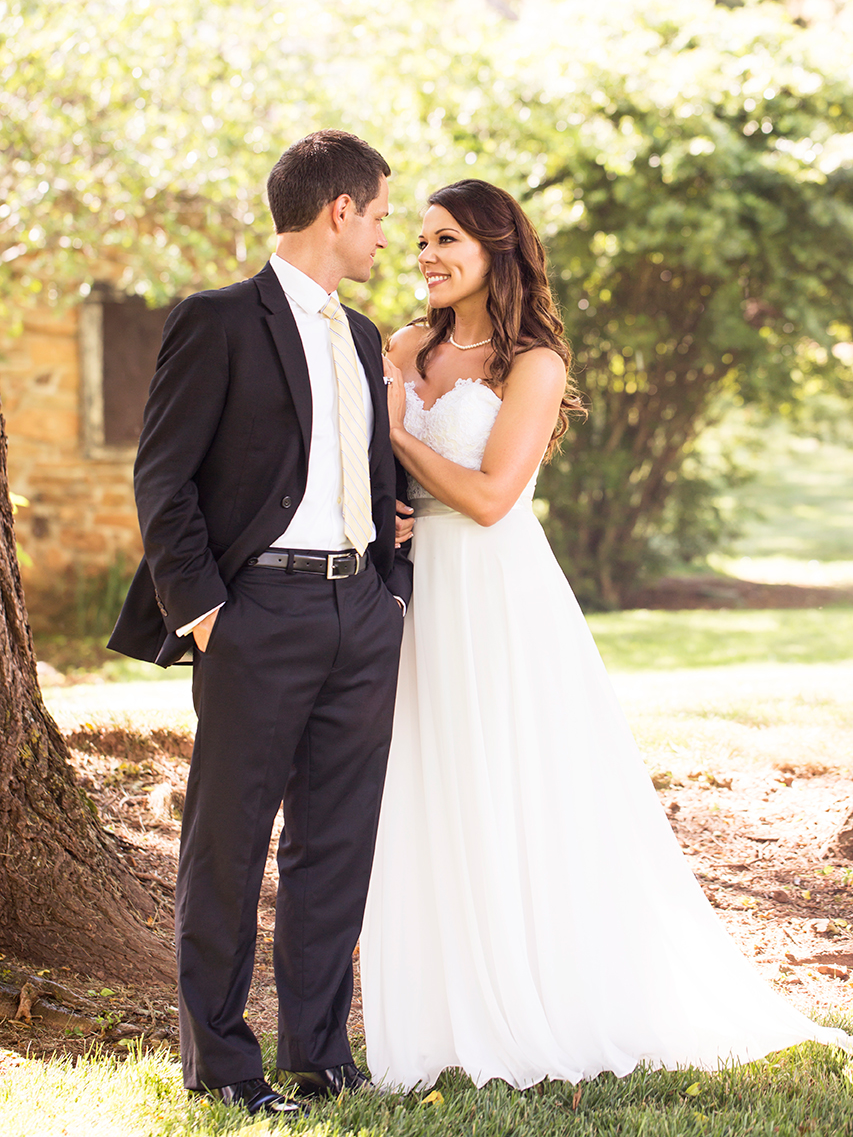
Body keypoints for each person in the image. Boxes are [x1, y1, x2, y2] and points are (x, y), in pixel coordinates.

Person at [359, 178, 852, 1092]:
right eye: (419, 239)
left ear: (495, 248)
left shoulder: (532, 363)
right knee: (428, 787)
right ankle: (442, 1008)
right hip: (416, 595)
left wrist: (398, 436)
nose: (425, 255)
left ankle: (540, 992)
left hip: (500, 598)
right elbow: (375, 469)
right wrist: (389, 503)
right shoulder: (399, 345)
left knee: (514, 784)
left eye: (446, 239)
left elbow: (491, 494)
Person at [109, 130, 413, 1118]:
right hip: (256, 616)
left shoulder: (362, 338)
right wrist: (203, 613)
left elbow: (370, 480)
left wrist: (389, 587)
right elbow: (164, 477)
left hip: (359, 612)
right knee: (229, 844)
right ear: (338, 211)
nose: (381, 233)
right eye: (376, 214)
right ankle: (226, 1063)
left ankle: (319, 1051)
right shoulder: (218, 320)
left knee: (335, 843)